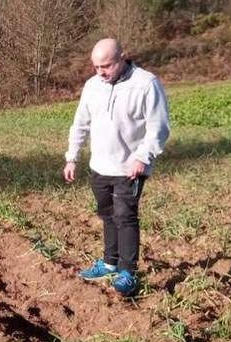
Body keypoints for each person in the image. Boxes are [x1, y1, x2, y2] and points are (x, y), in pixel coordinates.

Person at [63, 38, 170, 296]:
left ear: (123, 56)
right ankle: (110, 262)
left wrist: (143, 157)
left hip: (128, 168)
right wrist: (72, 157)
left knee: (125, 217)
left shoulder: (146, 84)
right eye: (96, 67)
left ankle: (127, 272)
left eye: (107, 66)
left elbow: (159, 127)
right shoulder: (92, 86)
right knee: (107, 215)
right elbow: (80, 124)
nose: (101, 72)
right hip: (100, 166)